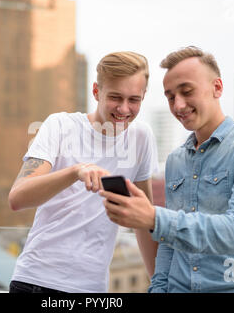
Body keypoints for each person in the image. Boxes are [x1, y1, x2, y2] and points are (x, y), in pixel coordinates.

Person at [100, 46, 234, 292]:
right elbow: (169, 244)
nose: (178, 105)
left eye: (187, 92)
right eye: (170, 96)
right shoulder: (176, 160)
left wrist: (153, 218)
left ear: (217, 87)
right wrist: (158, 287)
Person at [8, 51, 159, 293]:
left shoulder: (142, 137)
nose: (124, 108)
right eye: (115, 97)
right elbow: (18, 198)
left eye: (134, 99)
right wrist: (76, 171)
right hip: (37, 282)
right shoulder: (60, 125)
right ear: (96, 91)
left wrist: (159, 283)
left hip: (93, 289)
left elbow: (143, 218)